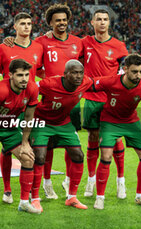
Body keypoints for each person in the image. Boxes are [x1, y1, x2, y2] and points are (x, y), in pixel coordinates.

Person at [0, 12, 44, 203]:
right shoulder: (4, 47)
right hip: (6, 107)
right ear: (15, 27)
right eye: (22, 23)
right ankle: (7, 189)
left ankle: (32, 190)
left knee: (32, 147)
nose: (26, 27)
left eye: (29, 23)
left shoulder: (39, 47)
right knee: (6, 149)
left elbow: (44, 72)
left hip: (27, 105)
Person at [0, 59, 41, 215]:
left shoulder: (32, 89)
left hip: (10, 126)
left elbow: (28, 118)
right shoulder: (0, 89)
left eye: (27, 75)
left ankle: (24, 203)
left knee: (28, 157)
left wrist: (25, 143)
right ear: (10, 75)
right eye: (20, 75)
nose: (24, 79)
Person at [34, 3, 83, 199]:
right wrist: (47, 80)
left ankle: (69, 181)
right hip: (50, 99)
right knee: (49, 144)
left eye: (64, 20)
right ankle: (47, 183)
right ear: (50, 23)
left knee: (71, 142)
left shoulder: (78, 42)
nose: (61, 23)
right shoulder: (41, 42)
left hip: (72, 100)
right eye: (57, 21)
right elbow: (34, 64)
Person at [93, 54, 141, 209]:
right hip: (109, 121)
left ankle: (140, 196)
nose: (138, 75)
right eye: (134, 71)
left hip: (131, 122)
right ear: (125, 69)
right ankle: (100, 197)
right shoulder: (110, 81)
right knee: (106, 156)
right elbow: (88, 84)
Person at [30, 60, 92, 211]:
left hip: (64, 123)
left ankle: (71, 197)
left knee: (78, 155)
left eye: (80, 73)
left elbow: (104, 84)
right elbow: (29, 88)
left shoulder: (86, 82)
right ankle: (35, 198)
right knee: (39, 156)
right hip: (42, 122)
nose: (78, 76)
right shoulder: (48, 84)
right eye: (74, 73)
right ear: (65, 74)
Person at [82, 9, 129, 198]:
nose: (102, 22)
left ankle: (121, 181)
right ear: (92, 22)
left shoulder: (119, 46)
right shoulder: (84, 43)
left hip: (112, 99)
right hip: (92, 98)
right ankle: (91, 180)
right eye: (98, 19)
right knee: (93, 137)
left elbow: (126, 70)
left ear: (109, 23)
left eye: (105, 19)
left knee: (115, 138)